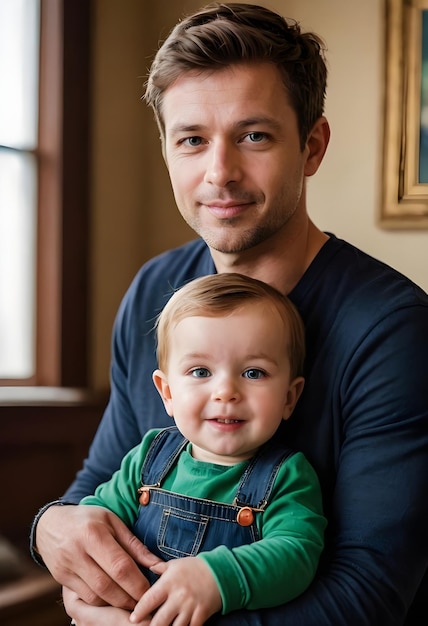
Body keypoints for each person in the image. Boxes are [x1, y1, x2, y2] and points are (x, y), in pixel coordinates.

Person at [30, 3, 428, 625]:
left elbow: (370, 594)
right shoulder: (155, 290)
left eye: (253, 136)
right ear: (167, 151)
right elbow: (105, 483)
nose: (220, 173)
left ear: (312, 146)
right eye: (192, 140)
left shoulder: (392, 328)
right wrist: (48, 525)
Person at [77, 272, 326, 625]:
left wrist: (216, 577)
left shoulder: (287, 476)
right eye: (200, 371)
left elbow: (296, 554)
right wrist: (79, 547)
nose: (226, 391)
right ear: (167, 392)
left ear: (289, 397)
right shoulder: (149, 457)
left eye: (254, 373)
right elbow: (98, 520)